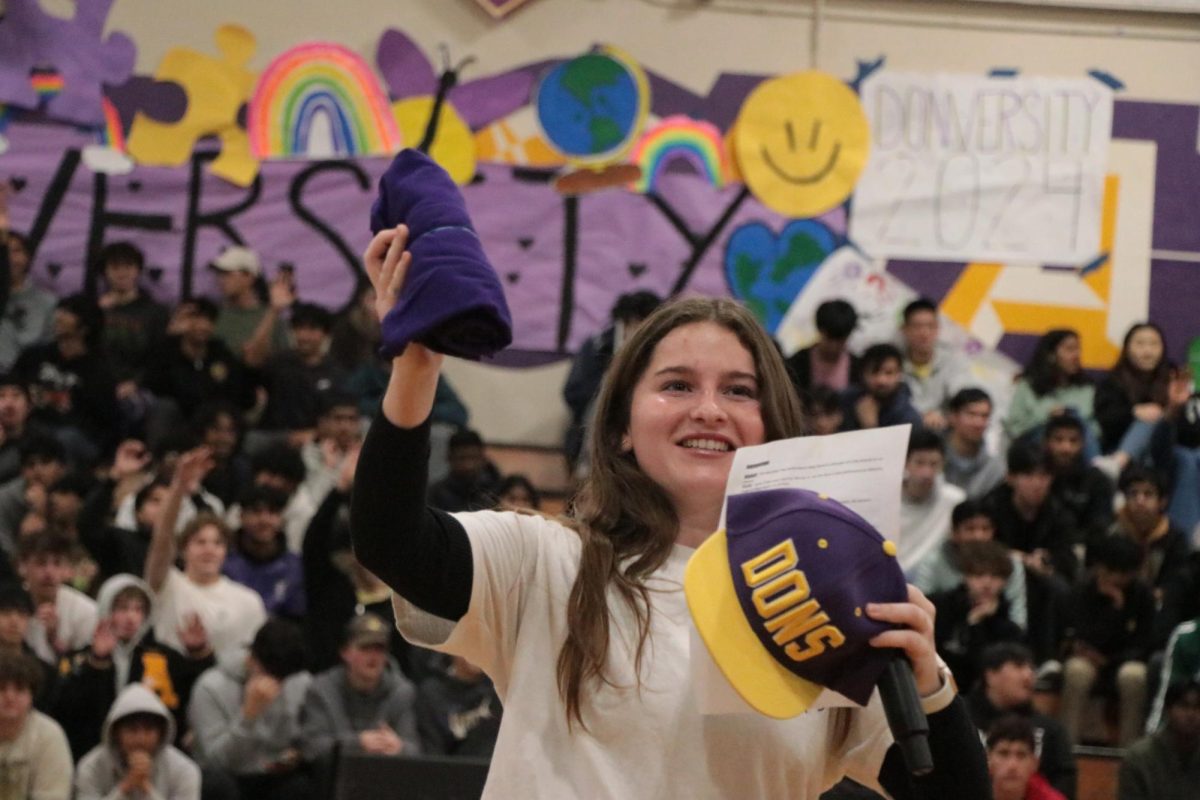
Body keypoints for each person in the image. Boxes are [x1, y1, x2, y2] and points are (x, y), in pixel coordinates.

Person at [351, 222, 988, 798]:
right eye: (677, 385)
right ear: (623, 425)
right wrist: (417, 365)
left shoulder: (824, 605)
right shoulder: (546, 561)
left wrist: (928, 680)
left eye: (739, 391)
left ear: (772, 428)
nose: (709, 409)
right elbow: (390, 540)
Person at [55, 574, 214, 758]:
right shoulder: (79, 658)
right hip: (94, 755)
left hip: (159, 755)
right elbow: (65, 710)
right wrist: (97, 662)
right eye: (122, 608)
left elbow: (200, 695)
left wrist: (199, 655)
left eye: (138, 610)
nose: (131, 617)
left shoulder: (165, 657)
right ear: (106, 609)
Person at [143, 447, 266, 659]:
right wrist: (179, 486)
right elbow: (162, 536)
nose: (209, 549)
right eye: (200, 542)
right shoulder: (168, 584)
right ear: (183, 550)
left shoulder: (248, 600)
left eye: (218, 543)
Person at [188, 618, 313, 800]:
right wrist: (248, 717)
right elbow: (215, 762)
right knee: (219, 785)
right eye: (271, 675)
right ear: (251, 659)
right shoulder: (210, 687)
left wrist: (299, 753)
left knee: (302, 785)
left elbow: (310, 736)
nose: (277, 684)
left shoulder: (300, 679)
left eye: (283, 678)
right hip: (230, 775)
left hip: (273, 774)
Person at [1059, 535, 1153, 746]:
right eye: (1108, 571)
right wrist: (1112, 612)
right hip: (1089, 658)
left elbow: (1144, 642)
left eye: (1121, 574)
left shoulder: (1142, 594)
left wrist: (1112, 661)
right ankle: (1067, 748)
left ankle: (1129, 753)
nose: (1113, 578)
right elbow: (1081, 634)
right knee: (1076, 671)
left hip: (1124, 661)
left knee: (1134, 676)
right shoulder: (1083, 588)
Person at [299, 613, 421, 763]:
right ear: (345, 652)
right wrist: (357, 743)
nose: (373, 656)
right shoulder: (321, 690)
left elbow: (416, 750)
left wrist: (399, 748)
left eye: (379, 648)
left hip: (384, 777)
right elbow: (310, 747)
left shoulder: (402, 691)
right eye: (365, 648)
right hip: (335, 779)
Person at [562, 290, 662, 470]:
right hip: (590, 445)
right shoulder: (598, 346)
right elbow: (574, 393)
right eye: (638, 324)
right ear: (625, 322)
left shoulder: (660, 352)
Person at [967, 643, 1076, 800]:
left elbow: (1065, 782)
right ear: (990, 675)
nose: (1028, 675)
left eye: (1031, 668)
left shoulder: (1052, 730)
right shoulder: (959, 720)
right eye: (1018, 666)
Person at [911, 500, 1028, 631]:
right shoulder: (933, 562)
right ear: (954, 533)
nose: (978, 536)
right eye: (970, 529)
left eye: (985, 529)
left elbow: (1018, 619)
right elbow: (920, 610)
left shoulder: (1011, 563)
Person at [73, 682, 202, 800]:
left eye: (149, 730)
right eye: (132, 730)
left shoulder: (184, 770)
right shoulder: (91, 767)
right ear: (116, 733)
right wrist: (125, 787)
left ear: (161, 733)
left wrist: (146, 788)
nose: (140, 739)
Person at [929, 541, 1023, 691]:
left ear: (1005, 581)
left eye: (995, 576)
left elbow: (982, 671)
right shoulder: (940, 607)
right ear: (965, 576)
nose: (987, 583)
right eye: (979, 575)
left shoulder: (1009, 630)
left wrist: (975, 625)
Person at [984, 441, 1081, 584]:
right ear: (1010, 478)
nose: (1037, 484)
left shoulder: (1058, 512)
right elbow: (981, 551)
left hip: (1042, 580)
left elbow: (1067, 558)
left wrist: (1047, 559)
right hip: (998, 578)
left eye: (1043, 476)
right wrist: (1019, 559)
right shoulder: (990, 509)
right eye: (1028, 475)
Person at [94, 241, 170, 402]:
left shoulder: (155, 312)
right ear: (105, 272)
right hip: (99, 383)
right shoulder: (92, 308)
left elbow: (160, 358)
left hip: (140, 389)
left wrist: (136, 383)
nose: (122, 273)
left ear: (138, 271)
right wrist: (96, 313)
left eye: (128, 267)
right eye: (115, 268)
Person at [1094, 322, 1173, 476]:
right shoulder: (1113, 382)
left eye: (1154, 344)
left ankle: (1117, 464)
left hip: (1162, 450)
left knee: (1154, 415)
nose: (1148, 351)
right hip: (1117, 444)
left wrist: (1170, 410)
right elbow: (1105, 419)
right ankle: (1119, 462)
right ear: (1127, 348)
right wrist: (1133, 412)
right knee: (1149, 416)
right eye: (1140, 344)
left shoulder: (1172, 380)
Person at [1003, 329, 1097, 451]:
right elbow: (1014, 429)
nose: (1076, 355)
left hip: (1078, 453)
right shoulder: (1028, 385)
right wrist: (1047, 417)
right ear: (1051, 355)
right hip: (1037, 448)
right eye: (1070, 349)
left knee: (1074, 422)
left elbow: (1096, 429)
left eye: (1078, 349)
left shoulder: (1087, 388)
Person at [222, 484, 305, 619]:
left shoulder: (295, 566)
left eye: (272, 512)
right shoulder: (223, 560)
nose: (264, 520)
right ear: (241, 516)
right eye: (256, 511)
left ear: (281, 519)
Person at [17, 530, 97, 664]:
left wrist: (54, 639)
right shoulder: (7, 605)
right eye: (41, 563)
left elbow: (84, 668)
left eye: (57, 563)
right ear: (22, 566)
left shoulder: (86, 611)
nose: (49, 573)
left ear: (67, 569)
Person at [0, 650, 73, 798]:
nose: (10, 696)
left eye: (20, 689)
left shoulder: (50, 736)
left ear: (31, 695)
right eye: (1, 688)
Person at [209, 246, 293, 369]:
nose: (221, 279)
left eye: (227, 274)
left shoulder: (273, 318)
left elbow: (286, 360)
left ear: (249, 277)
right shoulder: (212, 316)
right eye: (219, 274)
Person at [898, 298, 972, 432]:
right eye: (917, 326)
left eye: (930, 326)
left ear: (938, 329)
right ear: (904, 329)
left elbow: (962, 395)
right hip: (905, 429)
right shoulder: (894, 364)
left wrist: (945, 417)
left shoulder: (952, 361)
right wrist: (919, 417)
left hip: (943, 430)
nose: (924, 333)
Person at [1117, 680, 1200, 800]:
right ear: (1168, 710)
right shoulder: (1138, 758)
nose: (1191, 714)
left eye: (1198, 707)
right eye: (1183, 706)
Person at [898, 428, 965, 575]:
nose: (927, 473)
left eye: (934, 464)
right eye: (919, 463)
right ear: (905, 463)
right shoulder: (888, 498)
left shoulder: (955, 500)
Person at [1043, 413, 1114, 548]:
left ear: (1083, 444)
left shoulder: (1098, 481)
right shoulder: (1035, 479)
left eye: (1073, 441)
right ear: (1046, 442)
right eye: (1058, 440)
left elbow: (1099, 529)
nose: (1066, 448)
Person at [416, 655, 502, 757]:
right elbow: (432, 752)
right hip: (447, 769)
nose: (474, 651)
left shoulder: (500, 689)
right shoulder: (431, 693)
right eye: (470, 643)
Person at [0, 226, 56, 374]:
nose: (9, 258)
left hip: (25, 381)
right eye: (4, 252)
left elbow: (51, 350)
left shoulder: (48, 302)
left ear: (28, 257)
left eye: (16, 251)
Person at [839, 343, 923, 432]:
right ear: (863, 374)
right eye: (874, 372)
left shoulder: (909, 419)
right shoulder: (845, 400)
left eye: (889, 373)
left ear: (899, 374)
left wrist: (870, 427)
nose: (881, 380)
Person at [785, 298, 860, 395]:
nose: (834, 346)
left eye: (840, 340)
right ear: (820, 330)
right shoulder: (797, 363)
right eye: (829, 338)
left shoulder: (858, 368)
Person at [942, 388, 1006, 500]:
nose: (978, 423)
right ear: (953, 417)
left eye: (984, 416)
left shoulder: (994, 468)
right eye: (971, 414)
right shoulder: (932, 453)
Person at [986, 714, 1067, 800]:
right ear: (987, 759)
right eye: (1003, 753)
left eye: (1021, 755)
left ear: (1035, 763)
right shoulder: (971, 793)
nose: (1012, 765)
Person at [426, 427, 500, 513]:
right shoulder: (435, 494)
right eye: (461, 458)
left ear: (483, 458)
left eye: (473, 458)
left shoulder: (495, 490)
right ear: (449, 458)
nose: (468, 465)